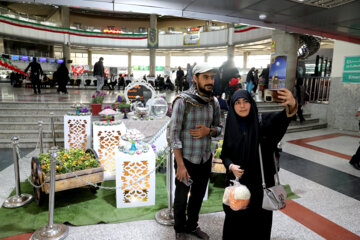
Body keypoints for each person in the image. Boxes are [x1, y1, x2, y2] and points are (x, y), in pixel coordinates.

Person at [220, 88, 297, 240]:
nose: (242, 106)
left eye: (246, 101)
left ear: (252, 103)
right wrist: (230, 166)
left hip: (260, 187)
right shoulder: (231, 125)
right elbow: (225, 154)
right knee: (235, 226)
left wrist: (292, 105)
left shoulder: (263, 123)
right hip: (238, 187)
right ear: (233, 106)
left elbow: (283, 118)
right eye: (238, 103)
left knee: (259, 227)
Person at [169, 63, 222, 240]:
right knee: (181, 197)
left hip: (205, 159)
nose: (210, 81)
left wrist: (210, 131)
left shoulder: (213, 102)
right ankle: (179, 229)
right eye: (205, 77)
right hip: (186, 160)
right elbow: (174, 135)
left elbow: (220, 128)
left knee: (198, 196)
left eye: (212, 77)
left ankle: (192, 226)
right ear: (195, 78)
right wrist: (181, 165)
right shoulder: (182, 101)